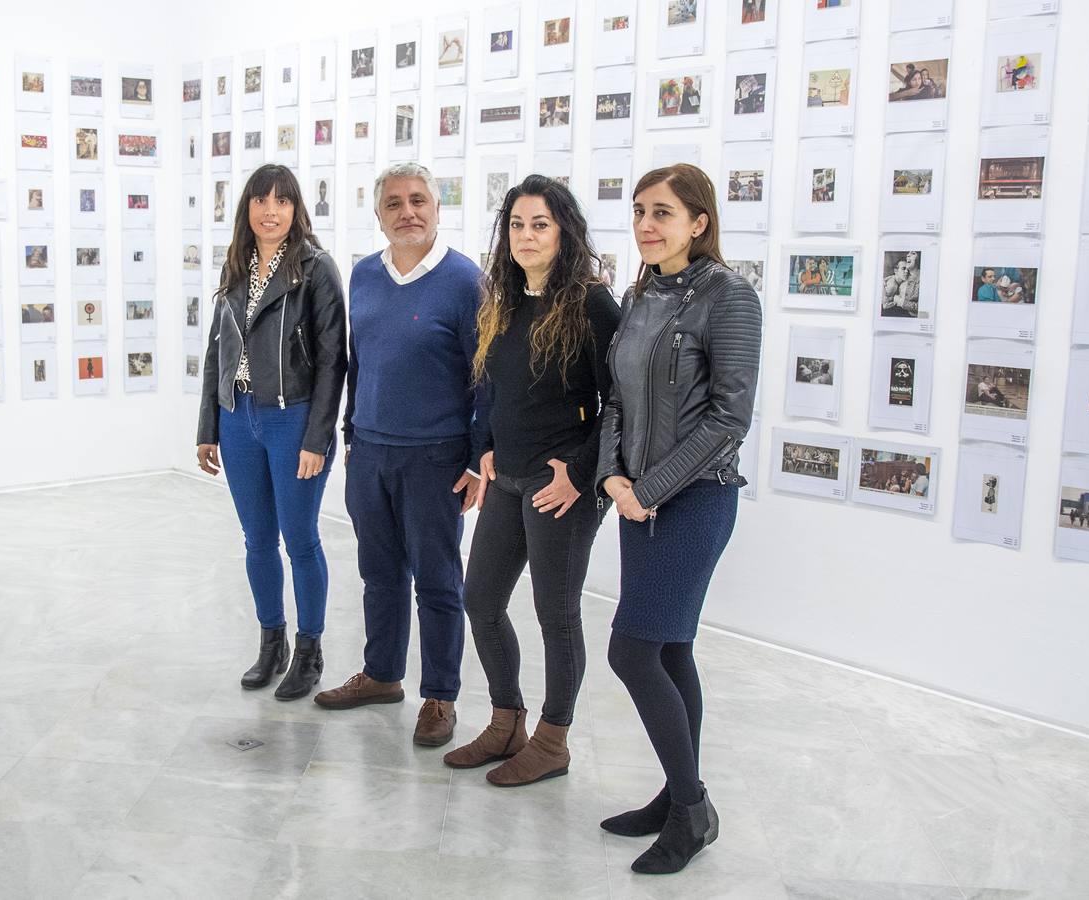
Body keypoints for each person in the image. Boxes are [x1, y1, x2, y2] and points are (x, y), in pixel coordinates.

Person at [595, 164, 762, 875]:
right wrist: (613, 477)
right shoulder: (642, 294)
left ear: (700, 221)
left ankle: (693, 811)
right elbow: (615, 400)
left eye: (662, 212)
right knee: (668, 651)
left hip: (694, 500)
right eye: (638, 211)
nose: (646, 225)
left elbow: (730, 419)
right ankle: (675, 795)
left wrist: (651, 487)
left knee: (632, 652)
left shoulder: (730, 297)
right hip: (638, 499)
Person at [442, 175, 620, 786]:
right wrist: (485, 447)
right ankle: (506, 720)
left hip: (560, 487)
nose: (526, 235)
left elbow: (620, 404)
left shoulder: (592, 304)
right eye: (517, 225)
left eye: (540, 224)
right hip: (509, 478)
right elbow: (492, 386)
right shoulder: (505, 298)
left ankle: (553, 739)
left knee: (556, 613)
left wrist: (583, 473)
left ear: (564, 229)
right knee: (481, 601)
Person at [313, 162, 488, 749]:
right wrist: (350, 434)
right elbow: (356, 365)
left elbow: (484, 378)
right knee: (378, 573)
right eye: (393, 203)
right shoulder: (363, 275)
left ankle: (440, 695)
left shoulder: (465, 281)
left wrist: (475, 458)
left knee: (438, 581)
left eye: (418, 200)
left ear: (438, 209)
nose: (407, 211)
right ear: (379, 215)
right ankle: (383, 675)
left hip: (436, 458)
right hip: (370, 451)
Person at [196, 164, 348, 701]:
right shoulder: (237, 266)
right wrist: (208, 426)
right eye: (261, 200)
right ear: (248, 208)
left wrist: (317, 438)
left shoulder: (315, 269)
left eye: (282, 201)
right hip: (239, 418)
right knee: (257, 541)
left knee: (301, 541)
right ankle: (272, 642)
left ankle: (309, 651)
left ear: (296, 208)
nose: (271, 210)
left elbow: (334, 362)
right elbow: (217, 350)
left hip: (293, 419)